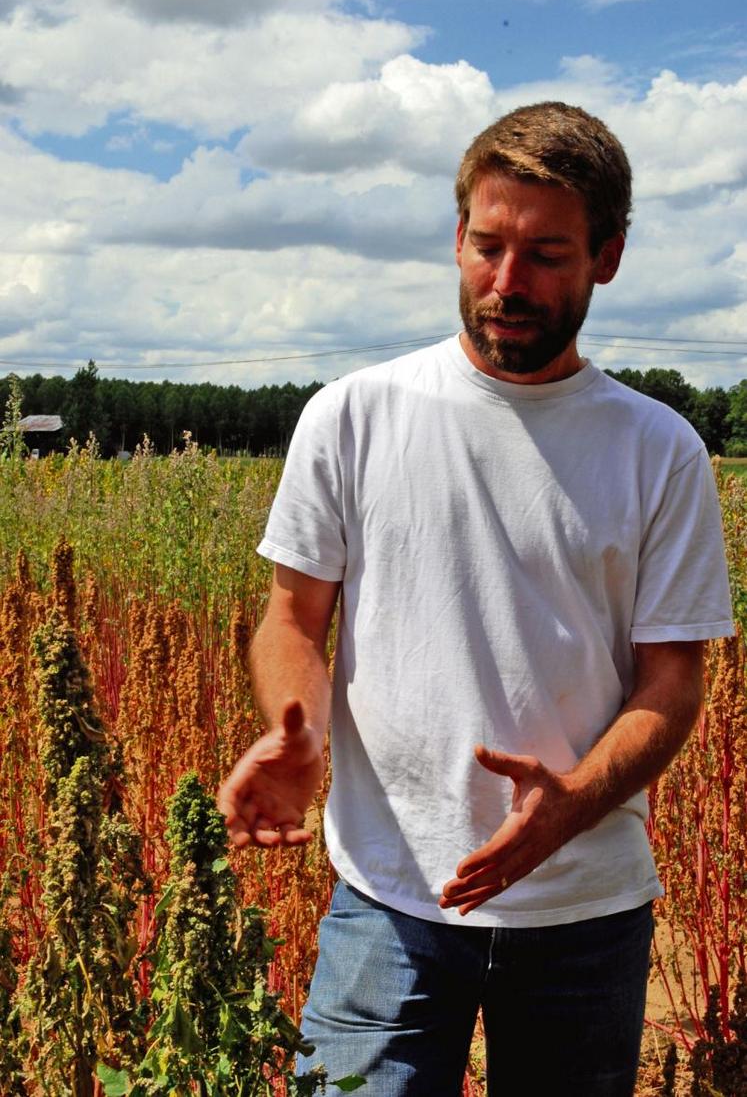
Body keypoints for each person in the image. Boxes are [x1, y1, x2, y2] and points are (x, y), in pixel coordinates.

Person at [218, 102, 734, 1096]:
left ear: (608, 256)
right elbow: (292, 618)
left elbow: (671, 681)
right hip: (388, 906)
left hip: (586, 914)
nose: (506, 284)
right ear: (457, 237)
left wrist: (574, 805)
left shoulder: (659, 450)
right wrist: (300, 728)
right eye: (487, 245)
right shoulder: (354, 416)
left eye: (545, 254)